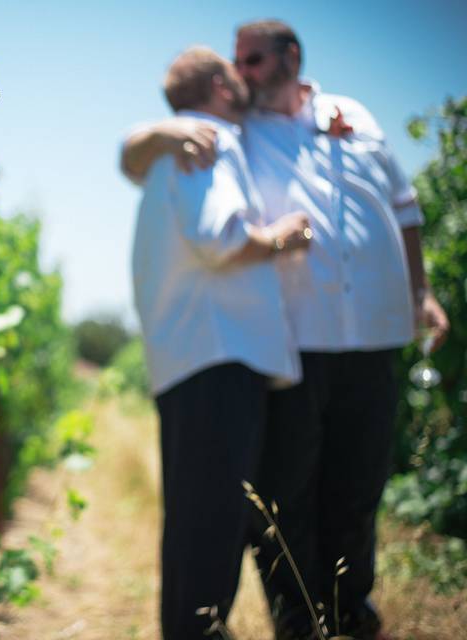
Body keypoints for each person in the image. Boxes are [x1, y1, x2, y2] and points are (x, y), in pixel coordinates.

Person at [122, 20, 450, 640]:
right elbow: (135, 156)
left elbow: (404, 207)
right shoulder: (230, 128)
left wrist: (421, 291)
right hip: (297, 344)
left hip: (375, 334)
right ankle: (301, 621)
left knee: (360, 486)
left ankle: (351, 615)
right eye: (235, 64)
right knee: (286, 496)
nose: (241, 71)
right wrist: (161, 129)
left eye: (251, 59)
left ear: (290, 56)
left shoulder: (354, 115)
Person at [130, 45, 312, 640]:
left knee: (196, 522)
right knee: (213, 526)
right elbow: (221, 237)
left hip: (194, 358)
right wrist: (283, 237)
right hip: (220, 355)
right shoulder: (209, 141)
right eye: (235, 73)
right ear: (220, 86)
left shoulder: (171, 147)